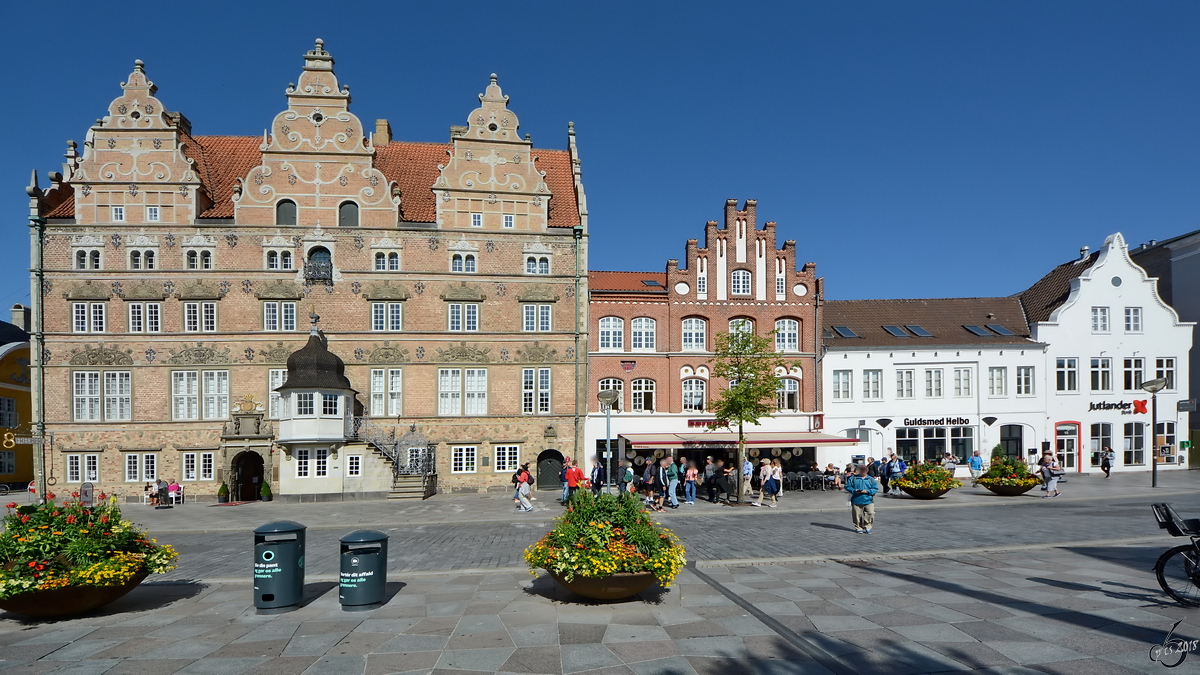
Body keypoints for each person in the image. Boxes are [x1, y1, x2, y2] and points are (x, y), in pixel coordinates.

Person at [845, 464, 879, 534]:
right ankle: (858, 527)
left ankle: (868, 527)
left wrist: (868, 491)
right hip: (856, 499)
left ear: (867, 471)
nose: (863, 472)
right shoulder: (853, 478)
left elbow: (875, 489)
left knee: (870, 513)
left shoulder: (871, 479)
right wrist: (854, 490)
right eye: (861, 470)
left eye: (864, 470)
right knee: (857, 515)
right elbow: (847, 486)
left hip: (868, 500)